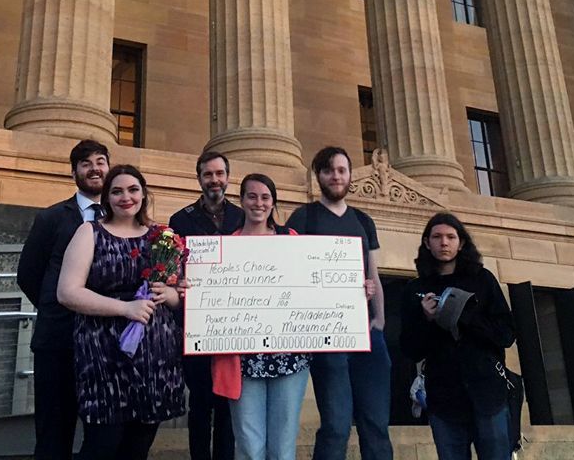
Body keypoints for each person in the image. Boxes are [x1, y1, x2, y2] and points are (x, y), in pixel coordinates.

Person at [57, 164, 185, 460]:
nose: (125, 197)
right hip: (104, 357)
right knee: (102, 446)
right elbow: (67, 292)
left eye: (132, 190)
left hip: (155, 358)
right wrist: (125, 308)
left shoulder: (162, 235)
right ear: (106, 197)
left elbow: (178, 296)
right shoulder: (89, 233)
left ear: (143, 194)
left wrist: (170, 294)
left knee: (138, 447)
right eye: (116, 191)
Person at [285, 146, 392, 460]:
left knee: (376, 425)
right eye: (329, 170)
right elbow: (289, 272)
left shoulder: (362, 220)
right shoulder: (303, 217)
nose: (336, 176)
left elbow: (374, 274)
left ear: (349, 176)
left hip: (368, 335)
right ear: (318, 175)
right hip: (328, 337)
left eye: (342, 170)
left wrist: (380, 321)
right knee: (336, 424)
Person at [17, 139, 110, 460]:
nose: (95, 168)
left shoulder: (122, 219)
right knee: (54, 434)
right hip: (58, 342)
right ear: (74, 172)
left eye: (100, 161)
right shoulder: (52, 218)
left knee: (103, 433)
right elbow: (29, 275)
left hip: (105, 345)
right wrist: (60, 306)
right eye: (86, 163)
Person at [399, 213, 515, 460]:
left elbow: (505, 334)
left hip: (487, 393)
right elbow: (409, 349)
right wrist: (427, 321)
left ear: (461, 243)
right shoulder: (415, 288)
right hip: (444, 397)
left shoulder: (482, 279)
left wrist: (462, 315)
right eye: (437, 237)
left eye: (451, 237)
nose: (444, 243)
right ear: (427, 242)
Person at [215, 173, 310, 460]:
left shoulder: (291, 239)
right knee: (248, 445)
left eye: (265, 197)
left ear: (273, 203)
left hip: (289, 357)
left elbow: (312, 287)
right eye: (252, 196)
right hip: (243, 360)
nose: (258, 202)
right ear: (241, 200)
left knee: (283, 445)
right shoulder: (224, 245)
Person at [169, 150, 243, 460]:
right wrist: (178, 282)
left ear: (228, 177)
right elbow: (172, 269)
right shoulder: (180, 219)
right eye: (208, 174)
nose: (214, 180)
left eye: (219, 173)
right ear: (199, 178)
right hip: (195, 324)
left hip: (234, 326)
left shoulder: (243, 216)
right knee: (199, 401)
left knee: (227, 403)